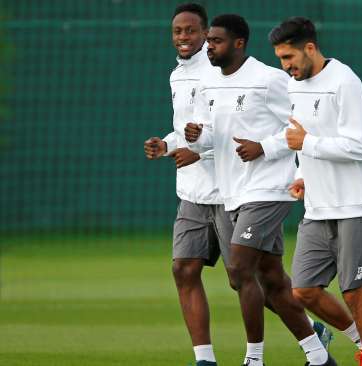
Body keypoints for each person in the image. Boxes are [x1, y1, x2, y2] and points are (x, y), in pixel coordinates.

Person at [184, 14, 336, 366]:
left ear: (238, 43)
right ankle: (318, 355)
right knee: (270, 279)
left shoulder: (269, 80)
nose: (209, 47)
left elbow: (299, 129)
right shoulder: (207, 84)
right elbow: (212, 137)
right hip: (232, 191)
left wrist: (263, 147)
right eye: (208, 41)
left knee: (239, 269)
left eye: (216, 41)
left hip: (269, 189)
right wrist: (197, 137)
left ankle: (254, 358)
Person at [270, 17, 362, 366]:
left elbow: (359, 147)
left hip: (358, 204)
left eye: (289, 57)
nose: (286, 66)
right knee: (303, 290)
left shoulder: (344, 82)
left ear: (310, 48)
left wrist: (306, 142)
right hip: (319, 207)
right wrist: (302, 173)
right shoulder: (293, 87)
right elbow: (305, 141)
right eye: (281, 59)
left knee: (355, 294)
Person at [143, 4, 229, 365]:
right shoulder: (177, 75)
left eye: (190, 31)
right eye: (177, 31)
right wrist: (167, 146)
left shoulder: (222, 71)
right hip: (192, 192)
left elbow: (232, 130)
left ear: (206, 33)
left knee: (253, 279)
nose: (182, 37)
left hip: (230, 188)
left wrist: (200, 154)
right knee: (184, 268)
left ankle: (308, 328)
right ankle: (204, 358)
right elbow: (185, 132)